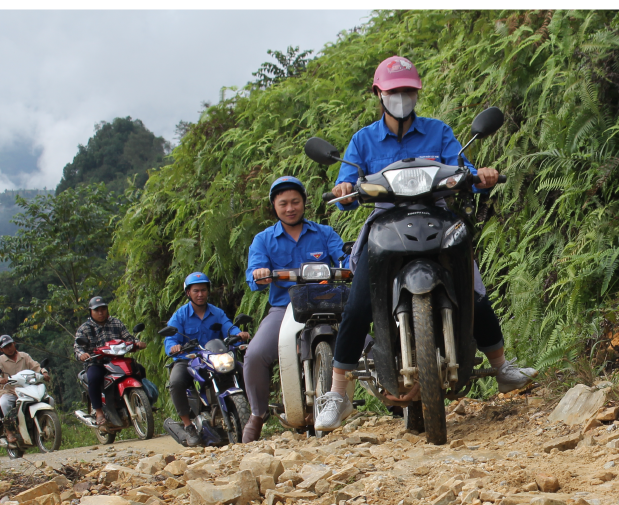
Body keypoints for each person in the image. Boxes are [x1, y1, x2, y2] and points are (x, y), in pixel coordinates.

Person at [317, 55, 534, 431]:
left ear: (416, 93)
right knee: (357, 306)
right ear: (378, 93)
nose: (401, 97)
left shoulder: (439, 131)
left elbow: (461, 167)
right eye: (394, 91)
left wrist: (479, 174)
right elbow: (347, 183)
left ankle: (501, 367)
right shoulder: (362, 141)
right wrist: (345, 188)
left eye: (408, 91)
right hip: (384, 224)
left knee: (474, 292)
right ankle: (338, 394)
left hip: (438, 216)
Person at [244, 176, 349, 443]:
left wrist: (350, 264)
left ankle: (394, 401)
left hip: (327, 303)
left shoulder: (324, 233)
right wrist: (261, 274)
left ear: (304, 203)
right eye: (283, 204)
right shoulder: (263, 240)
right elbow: (253, 276)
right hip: (285, 307)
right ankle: (257, 414)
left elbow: (344, 258)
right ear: (274, 207)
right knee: (256, 354)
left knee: (366, 343)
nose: (290, 208)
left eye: (295, 202)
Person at [165, 272, 250, 447]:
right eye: (196, 290)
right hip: (189, 359)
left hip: (216, 357)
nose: (200, 294)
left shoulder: (216, 313)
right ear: (188, 293)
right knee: (176, 382)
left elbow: (229, 327)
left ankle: (256, 412)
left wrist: (238, 334)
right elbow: (170, 339)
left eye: (203, 290)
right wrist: (173, 346)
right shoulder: (180, 315)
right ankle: (188, 426)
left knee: (245, 370)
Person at [72, 296, 148, 427]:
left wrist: (137, 343)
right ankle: (99, 412)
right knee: (94, 377)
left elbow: (127, 338)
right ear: (91, 311)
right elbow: (78, 348)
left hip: (117, 360)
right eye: (97, 310)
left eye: (103, 309)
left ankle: (144, 402)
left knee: (139, 369)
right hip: (97, 363)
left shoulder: (116, 323)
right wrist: (82, 354)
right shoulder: (84, 328)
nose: (101, 313)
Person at [0, 335, 51, 446]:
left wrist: (44, 373)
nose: (9, 348)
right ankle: (9, 432)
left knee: (48, 399)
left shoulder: (24, 356)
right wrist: (0, 379)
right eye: (6, 347)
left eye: (10, 345)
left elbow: (36, 366)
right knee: (4, 403)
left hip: (27, 389)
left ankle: (46, 422)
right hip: (9, 391)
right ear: (1, 349)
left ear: (14, 344)